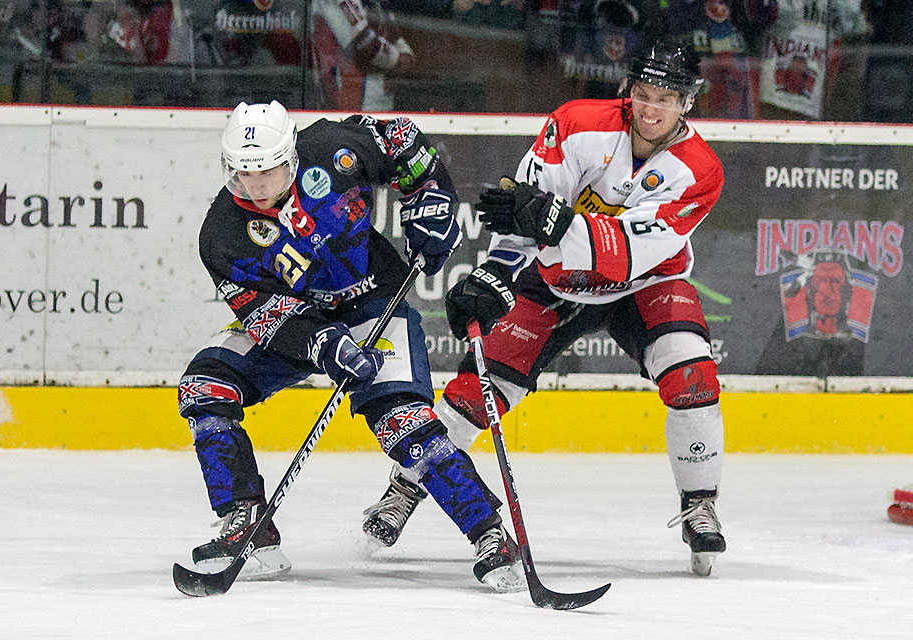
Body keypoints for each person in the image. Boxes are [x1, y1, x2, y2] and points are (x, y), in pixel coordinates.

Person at [362, 39, 729, 576]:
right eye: (644, 94)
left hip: (644, 284)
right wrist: (493, 274)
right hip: (554, 281)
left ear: (687, 103)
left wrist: (555, 222)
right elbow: (522, 216)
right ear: (629, 89)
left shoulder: (700, 170)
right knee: (473, 394)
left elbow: (632, 251)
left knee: (692, 374)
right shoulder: (577, 124)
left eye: (666, 99)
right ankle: (404, 489)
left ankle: (699, 503)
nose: (651, 109)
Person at [177, 100, 527, 592]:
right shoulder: (221, 235)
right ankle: (249, 525)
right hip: (300, 323)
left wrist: (432, 199)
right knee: (203, 388)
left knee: (406, 426)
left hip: (373, 305)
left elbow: (406, 142)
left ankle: (491, 535)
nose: (256, 188)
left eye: (269, 172)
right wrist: (320, 341)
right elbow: (262, 313)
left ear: (293, 156)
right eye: (242, 174)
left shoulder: (332, 145)